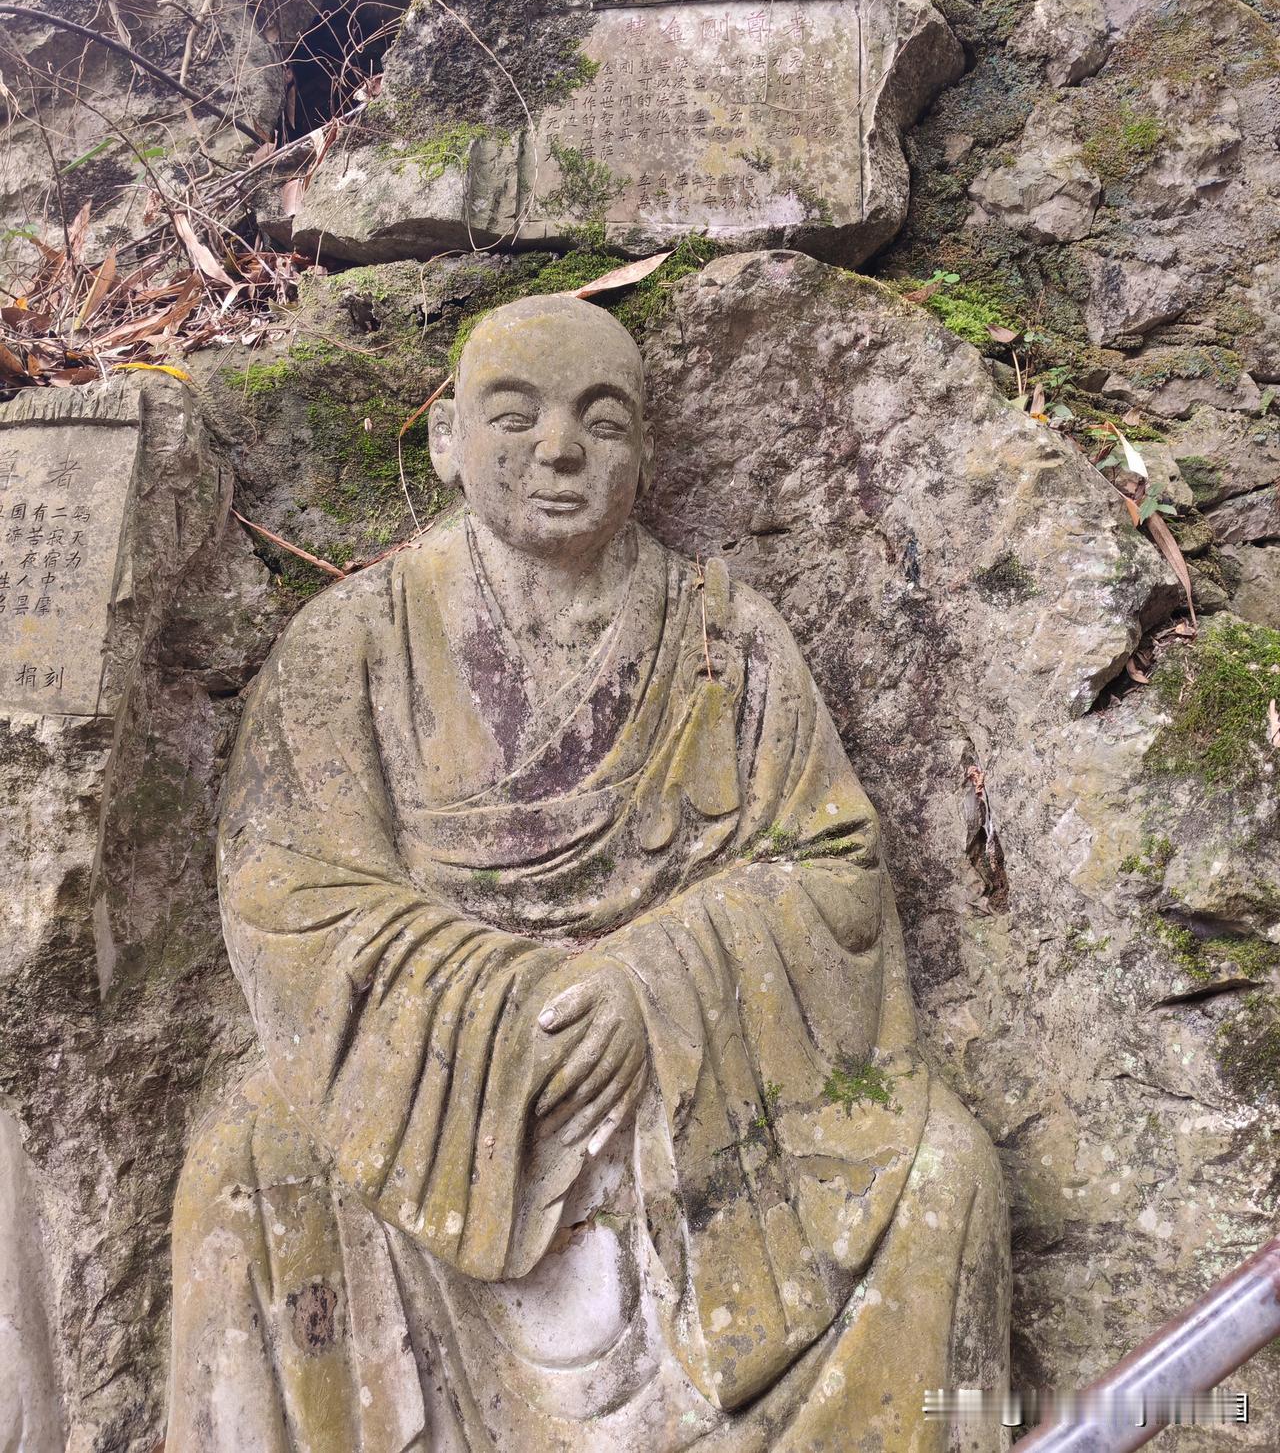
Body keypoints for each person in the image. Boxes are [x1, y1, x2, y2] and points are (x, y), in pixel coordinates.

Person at [168, 294, 1009, 1452]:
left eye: (601, 420)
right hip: (430, 1071)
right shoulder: (351, 640)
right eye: (514, 416)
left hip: (699, 1069)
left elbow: (830, 864)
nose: (558, 449)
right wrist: (511, 1010)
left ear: (644, 453)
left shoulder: (727, 639)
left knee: (945, 1170)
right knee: (246, 1157)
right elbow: (286, 885)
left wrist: (650, 982)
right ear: (445, 440)